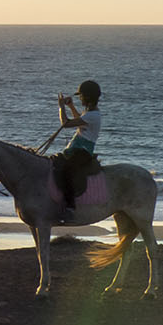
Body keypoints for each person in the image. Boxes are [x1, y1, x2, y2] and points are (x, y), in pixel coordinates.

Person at [53, 80, 103, 220]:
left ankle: (70, 207)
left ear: (87, 97)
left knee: (67, 171)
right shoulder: (90, 114)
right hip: (76, 149)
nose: (79, 98)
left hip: (82, 152)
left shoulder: (93, 115)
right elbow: (79, 120)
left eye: (80, 96)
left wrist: (61, 107)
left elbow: (66, 123)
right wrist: (70, 106)